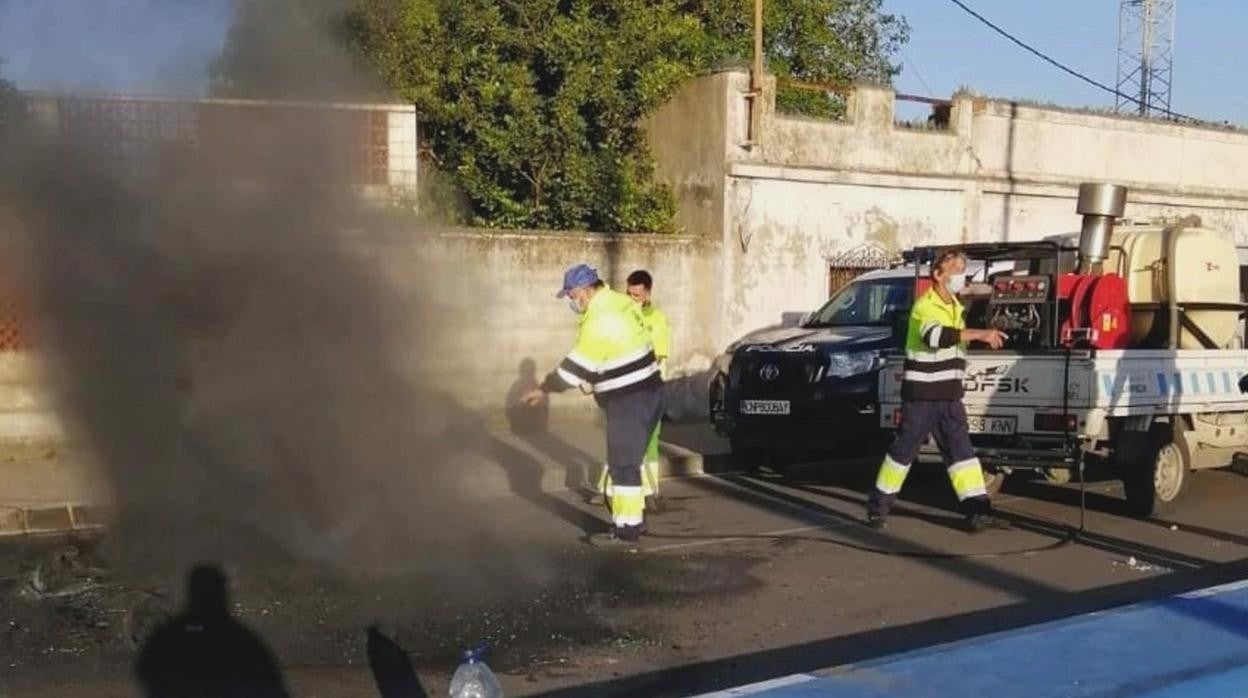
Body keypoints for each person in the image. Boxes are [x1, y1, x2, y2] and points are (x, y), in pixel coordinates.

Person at [866, 248, 1011, 533]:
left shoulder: (955, 307)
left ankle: (977, 512)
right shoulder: (926, 305)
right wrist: (981, 334)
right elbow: (935, 337)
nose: (961, 276)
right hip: (923, 395)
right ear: (937, 275)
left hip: (948, 395)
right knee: (903, 452)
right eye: (956, 270)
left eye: (962, 270)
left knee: (963, 455)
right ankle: (877, 508)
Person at [523, 264, 663, 542]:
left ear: (586, 290)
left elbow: (576, 366)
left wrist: (544, 388)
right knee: (627, 464)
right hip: (650, 391)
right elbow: (617, 350)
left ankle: (626, 531)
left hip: (629, 399)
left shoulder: (601, 317)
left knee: (623, 466)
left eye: (572, 295)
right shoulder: (620, 302)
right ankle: (636, 521)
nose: (572, 302)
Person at [625, 269, 671, 509]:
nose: (632, 298)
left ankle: (650, 488)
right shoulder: (622, 316)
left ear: (648, 294)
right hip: (626, 387)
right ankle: (610, 488)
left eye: (637, 295)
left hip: (650, 386)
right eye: (629, 293)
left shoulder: (657, 319)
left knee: (649, 439)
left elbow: (658, 355)